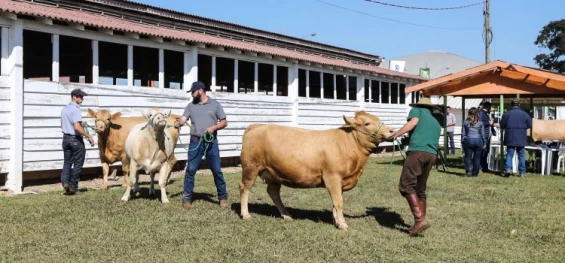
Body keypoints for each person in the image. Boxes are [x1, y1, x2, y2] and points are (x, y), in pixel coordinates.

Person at [175, 81, 229, 209]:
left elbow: (224, 122)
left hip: (211, 142)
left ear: (200, 91)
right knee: (191, 170)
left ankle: (223, 198)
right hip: (195, 141)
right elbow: (184, 118)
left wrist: (213, 128)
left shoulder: (215, 105)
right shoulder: (190, 106)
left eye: (193, 92)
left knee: (216, 170)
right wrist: (180, 122)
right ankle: (187, 199)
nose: (192, 95)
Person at [392, 96, 441, 237]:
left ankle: (420, 220)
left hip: (418, 152)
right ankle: (419, 222)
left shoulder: (417, 110)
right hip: (431, 154)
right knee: (420, 188)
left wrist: (396, 134)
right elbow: (425, 135)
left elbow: (413, 123)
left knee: (406, 185)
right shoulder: (435, 121)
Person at [60, 88, 95, 195]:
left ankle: (65, 182)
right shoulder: (75, 109)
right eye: (80, 97)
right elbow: (77, 127)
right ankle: (74, 187)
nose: (82, 99)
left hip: (65, 138)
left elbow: (62, 125)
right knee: (78, 163)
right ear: (74, 97)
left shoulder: (65, 109)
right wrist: (88, 136)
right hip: (75, 139)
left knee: (67, 162)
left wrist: (80, 123)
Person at [500, 99, 532, 177]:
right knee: (521, 155)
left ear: (511, 105)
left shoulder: (506, 114)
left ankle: (508, 169)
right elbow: (529, 125)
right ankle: (522, 172)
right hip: (521, 136)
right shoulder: (525, 114)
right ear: (519, 105)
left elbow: (502, 125)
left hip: (510, 136)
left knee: (510, 154)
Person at [461, 108, 486, 177]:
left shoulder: (466, 122)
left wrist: (462, 142)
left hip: (468, 140)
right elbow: (483, 134)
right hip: (478, 140)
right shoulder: (480, 122)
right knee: (477, 158)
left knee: (468, 157)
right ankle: (474, 174)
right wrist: (484, 142)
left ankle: (468, 168)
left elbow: (463, 134)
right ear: (477, 113)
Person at [478, 102, 494, 173]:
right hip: (484, 135)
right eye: (490, 107)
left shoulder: (485, 114)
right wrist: (489, 123)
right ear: (487, 107)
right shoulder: (481, 113)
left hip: (487, 135)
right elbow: (479, 123)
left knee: (486, 151)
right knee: (482, 151)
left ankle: (484, 167)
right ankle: (479, 167)